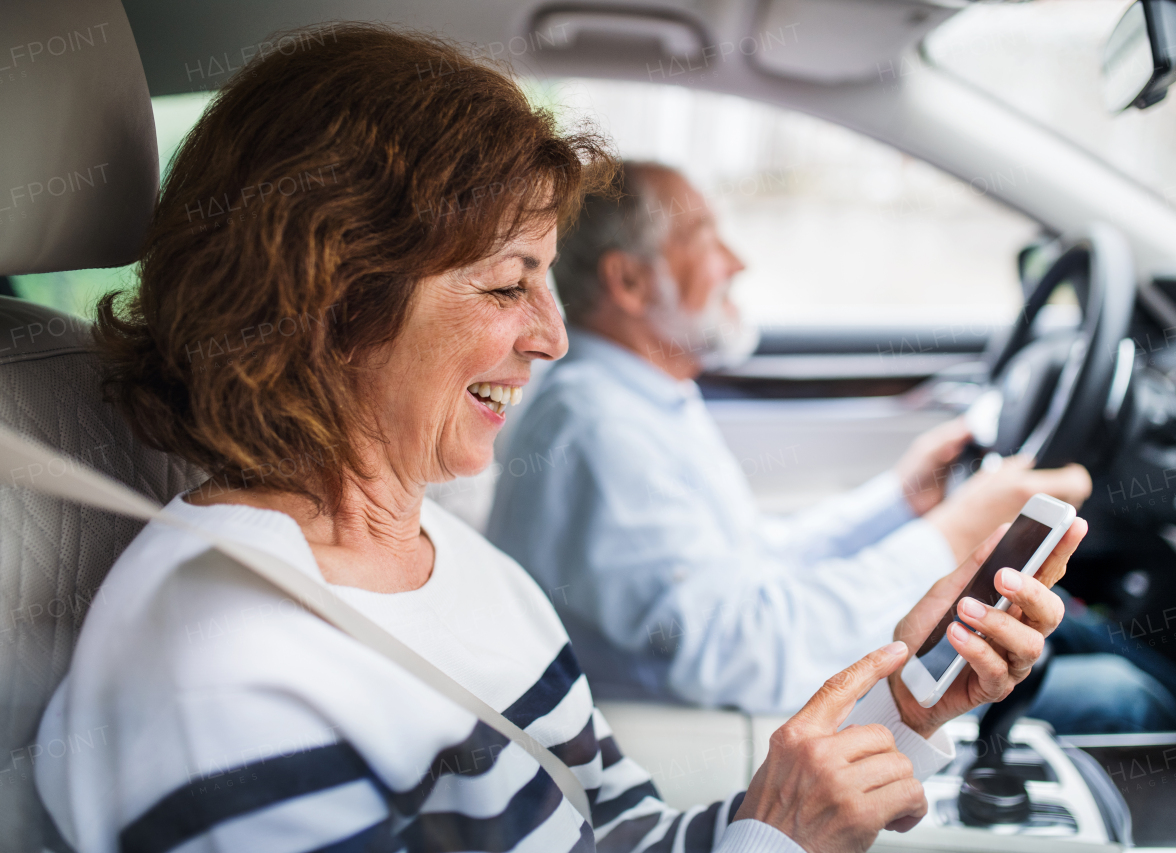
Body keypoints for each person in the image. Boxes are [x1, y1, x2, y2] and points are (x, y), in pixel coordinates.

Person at [34, 26, 1080, 853]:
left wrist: (891, 721)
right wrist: (778, 834)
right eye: (504, 284)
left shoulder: (460, 567)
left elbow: (615, 835)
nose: (552, 336)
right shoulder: (222, 675)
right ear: (333, 300)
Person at [487, 161, 1176, 732]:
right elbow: (743, 646)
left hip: (744, 698)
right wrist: (955, 532)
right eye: (706, 236)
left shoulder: (634, 398)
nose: (738, 260)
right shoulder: (600, 430)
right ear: (630, 280)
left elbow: (750, 566)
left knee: (1076, 640)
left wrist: (902, 502)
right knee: (1122, 696)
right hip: (727, 729)